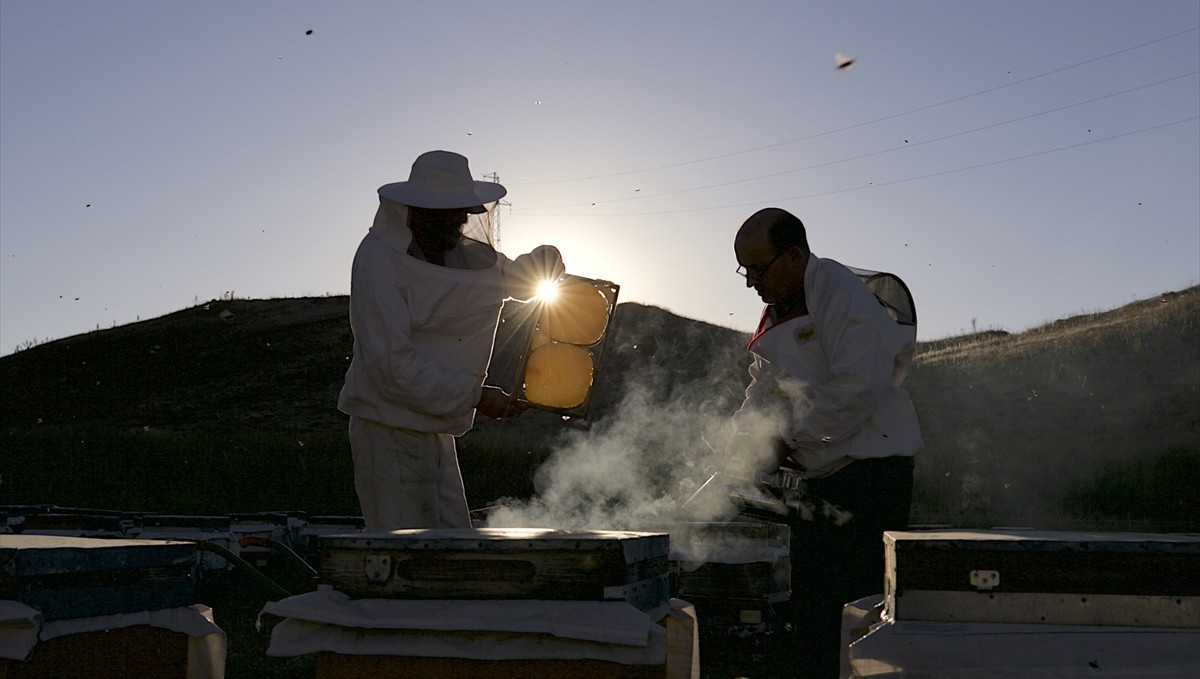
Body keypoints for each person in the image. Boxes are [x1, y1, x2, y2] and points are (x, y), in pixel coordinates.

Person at [728, 207, 922, 679]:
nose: (751, 281)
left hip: (871, 473)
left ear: (793, 256)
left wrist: (785, 437)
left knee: (855, 609)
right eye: (745, 269)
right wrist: (741, 434)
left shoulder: (844, 296)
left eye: (759, 267)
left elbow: (856, 390)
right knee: (810, 608)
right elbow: (764, 384)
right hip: (822, 476)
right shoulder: (778, 305)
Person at [338, 150, 564, 532]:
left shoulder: (461, 254)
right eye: (453, 210)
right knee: (410, 557)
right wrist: (476, 396)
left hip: (436, 428)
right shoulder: (380, 261)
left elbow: (518, 280)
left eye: (468, 209)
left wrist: (547, 258)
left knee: (454, 545)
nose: (463, 219)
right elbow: (391, 366)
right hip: (389, 430)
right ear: (420, 211)